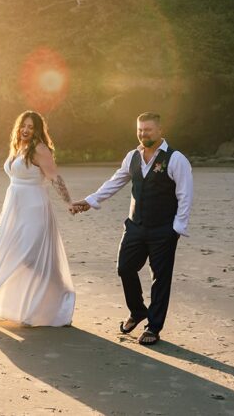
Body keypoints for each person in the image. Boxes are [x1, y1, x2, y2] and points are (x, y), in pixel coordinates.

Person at [71, 112, 194, 345]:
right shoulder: (132, 157)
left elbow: (185, 195)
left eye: (147, 129)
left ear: (160, 130)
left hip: (163, 229)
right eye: (139, 129)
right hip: (135, 226)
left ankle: (153, 327)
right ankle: (138, 311)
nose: (142, 133)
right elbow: (115, 182)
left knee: (160, 279)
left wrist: (177, 228)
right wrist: (90, 201)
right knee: (124, 268)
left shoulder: (176, 159)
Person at [0, 110, 76, 326]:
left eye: (31, 127)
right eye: (23, 126)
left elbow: (54, 177)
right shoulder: (17, 148)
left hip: (34, 208)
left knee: (28, 256)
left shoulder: (40, 149)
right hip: (14, 208)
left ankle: (60, 298)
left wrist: (68, 202)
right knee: (12, 254)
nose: (26, 130)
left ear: (38, 130)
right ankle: (22, 307)